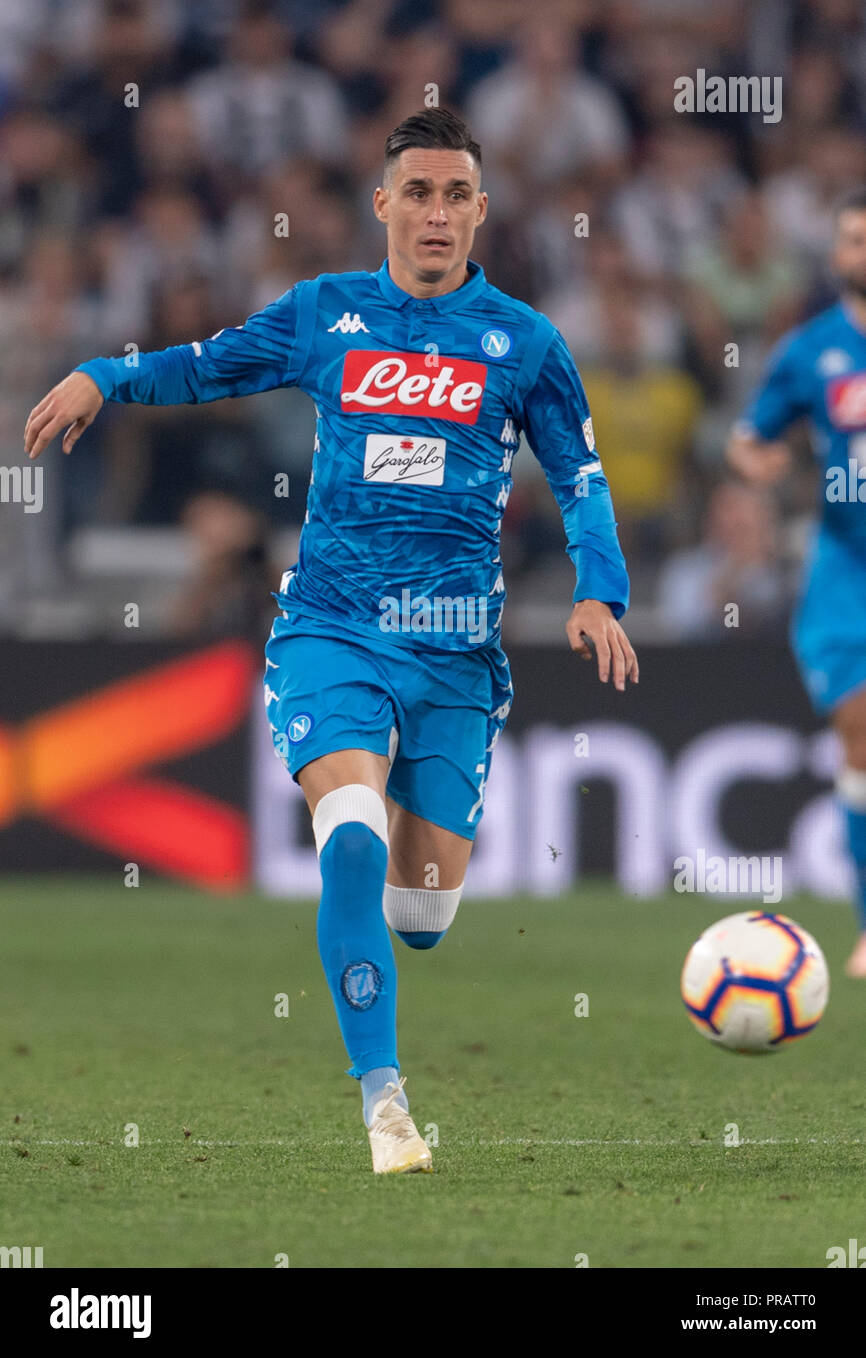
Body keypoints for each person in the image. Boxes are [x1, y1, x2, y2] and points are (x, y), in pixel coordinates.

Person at [24, 107, 638, 1173]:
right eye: (417, 193)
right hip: (331, 627)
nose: (436, 214)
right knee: (346, 837)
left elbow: (580, 477)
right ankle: (384, 1102)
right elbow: (206, 366)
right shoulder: (328, 316)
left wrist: (601, 592)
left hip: (452, 652)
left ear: (480, 211)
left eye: (455, 196)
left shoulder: (526, 344)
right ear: (383, 204)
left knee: (421, 916)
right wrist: (106, 376)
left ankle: (407, 917)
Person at [727, 188, 866, 977]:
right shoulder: (813, 350)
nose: (863, 251)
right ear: (839, 254)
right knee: (861, 737)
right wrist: (760, 461)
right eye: (853, 238)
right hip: (849, 570)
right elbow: (749, 437)